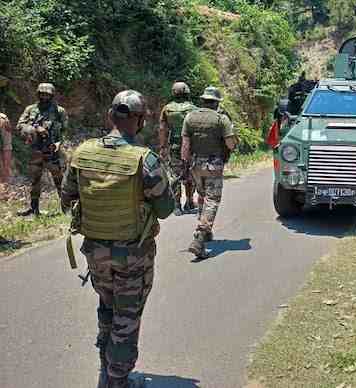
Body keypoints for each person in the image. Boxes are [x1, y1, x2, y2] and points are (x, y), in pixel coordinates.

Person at [61, 90, 174, 388]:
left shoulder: (83, 153)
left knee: (107, 308)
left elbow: (66, 198)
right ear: (139, 122)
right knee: (126, 319)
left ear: (110, 116)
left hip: (95, 254)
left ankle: (106, 372)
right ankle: (118, 382)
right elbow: (165, 208)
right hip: (133, 255)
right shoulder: (145, 159)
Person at [181, 86, 237, 258]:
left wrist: (185, 165)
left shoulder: (190, 117)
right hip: (214, 165)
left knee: (202, 196)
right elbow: (230, 144)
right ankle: (200, 236)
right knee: (212, 200)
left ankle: (206, 229)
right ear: (217, 102)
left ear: (203, 100)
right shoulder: (222, 119)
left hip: (196, 164)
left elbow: (185, 146)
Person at [15, 83, 68, 216]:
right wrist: (34, 129)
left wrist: (58, 143)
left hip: (53, 151)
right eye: (42, 94)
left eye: (47, 95)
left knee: (60, 180)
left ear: (52, 95)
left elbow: (65, 130)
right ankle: (34, 209)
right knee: (35, 180)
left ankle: (66, 208)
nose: (44, 97)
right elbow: (19, 125)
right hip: (36, 151)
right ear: (38, 94)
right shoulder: (31, 109)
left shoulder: (59, 111)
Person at [159, 81, 197, 215]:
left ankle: (176, 205)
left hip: (174, 145)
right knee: (190, 173)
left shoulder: (167, 109)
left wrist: (163, 147)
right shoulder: (193, 109)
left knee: (175, 174)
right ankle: (190, 201)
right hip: (190, 146)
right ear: (187, 92)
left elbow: (163, 129)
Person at [1, 111, 11, 182]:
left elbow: (7, 146)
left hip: (4, 146)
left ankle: (5, 183)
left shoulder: (3, 119)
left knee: (5, 165)